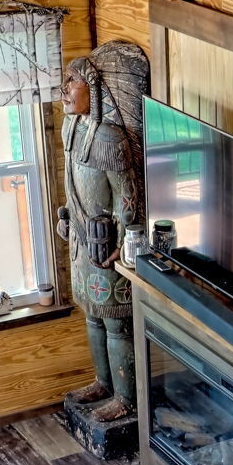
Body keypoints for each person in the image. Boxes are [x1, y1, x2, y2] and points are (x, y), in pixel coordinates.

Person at [57, 40, 149, 422]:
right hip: (81, 237)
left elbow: (128, 196)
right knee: (91, 314)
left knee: (115, 321)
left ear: (92, 89)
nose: (64, 88)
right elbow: (72, 180)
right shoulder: (70, 127)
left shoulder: (110, 139)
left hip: (107, 242)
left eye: (72, 81)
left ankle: (126, 397)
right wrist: (66, 216)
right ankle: (103, 381)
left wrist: (127, 241)